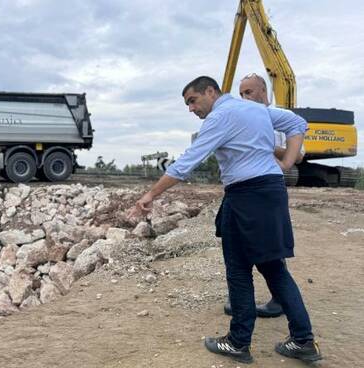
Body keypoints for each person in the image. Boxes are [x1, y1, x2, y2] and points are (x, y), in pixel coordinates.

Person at [127, 76, 321, 364]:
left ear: (210, 91)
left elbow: (187, 163)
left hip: (246, 196)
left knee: (238, 269)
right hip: (271, 191)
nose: (191, 109)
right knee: (273, 267)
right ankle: (303, 340)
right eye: (187, 104)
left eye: (193, 100)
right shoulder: (256, 110)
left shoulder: (220, 117)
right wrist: (287, 162)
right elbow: (296, 123)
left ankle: (238, 342)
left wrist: (150, 195)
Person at [220, 73, 305, 319]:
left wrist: (265, 146)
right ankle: (243, 301)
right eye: (241, 93)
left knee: (270, 252)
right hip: (244, 188)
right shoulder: (242, 117)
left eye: (249, 92)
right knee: (241, 248)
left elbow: (298, 155)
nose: (244, 97)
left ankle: (279, 301)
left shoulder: (277, 118)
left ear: (262, 91)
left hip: (267, 188)